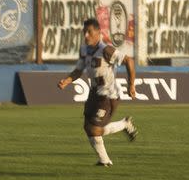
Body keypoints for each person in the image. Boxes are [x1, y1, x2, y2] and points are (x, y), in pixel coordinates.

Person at [57, 18, 138, 167]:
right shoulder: (84, 50)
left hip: (108, 96)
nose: (86, 35)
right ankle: (104, 160)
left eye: (89, 32)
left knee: (95, 129)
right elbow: (78, 70)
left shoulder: (106, 50)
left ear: (98, 33)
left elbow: (129, 61)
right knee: (88, 127)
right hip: (94, 93)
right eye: (84, 32)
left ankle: (124, 124)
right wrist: (67, 81)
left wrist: (131, 85)